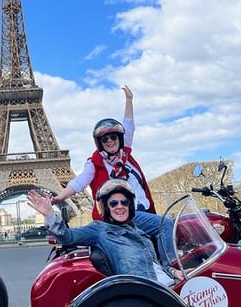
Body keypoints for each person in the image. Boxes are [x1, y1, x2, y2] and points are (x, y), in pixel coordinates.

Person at [51, 86, 174, 267]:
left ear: (119, 138)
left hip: (143, 211)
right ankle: (171, 268)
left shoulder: (126, 155)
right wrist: (59, 197)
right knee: (165, 225)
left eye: (113, 137)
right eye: (105, 139)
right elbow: (79, 182)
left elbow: (129, 125)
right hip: (124, 214)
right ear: (100, 143)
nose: (110, 141)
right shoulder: (94, 163)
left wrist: (129, 100)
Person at [28, 179, 180, 285]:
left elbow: (154, 265)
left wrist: (172, 272)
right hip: (149, 295)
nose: (119, 206)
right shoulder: (99, 230)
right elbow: (67, 236)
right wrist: (49, 214)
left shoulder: (137, 230)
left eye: (124, 202)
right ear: (106, 208)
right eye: (113, 203)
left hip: (168, 285)